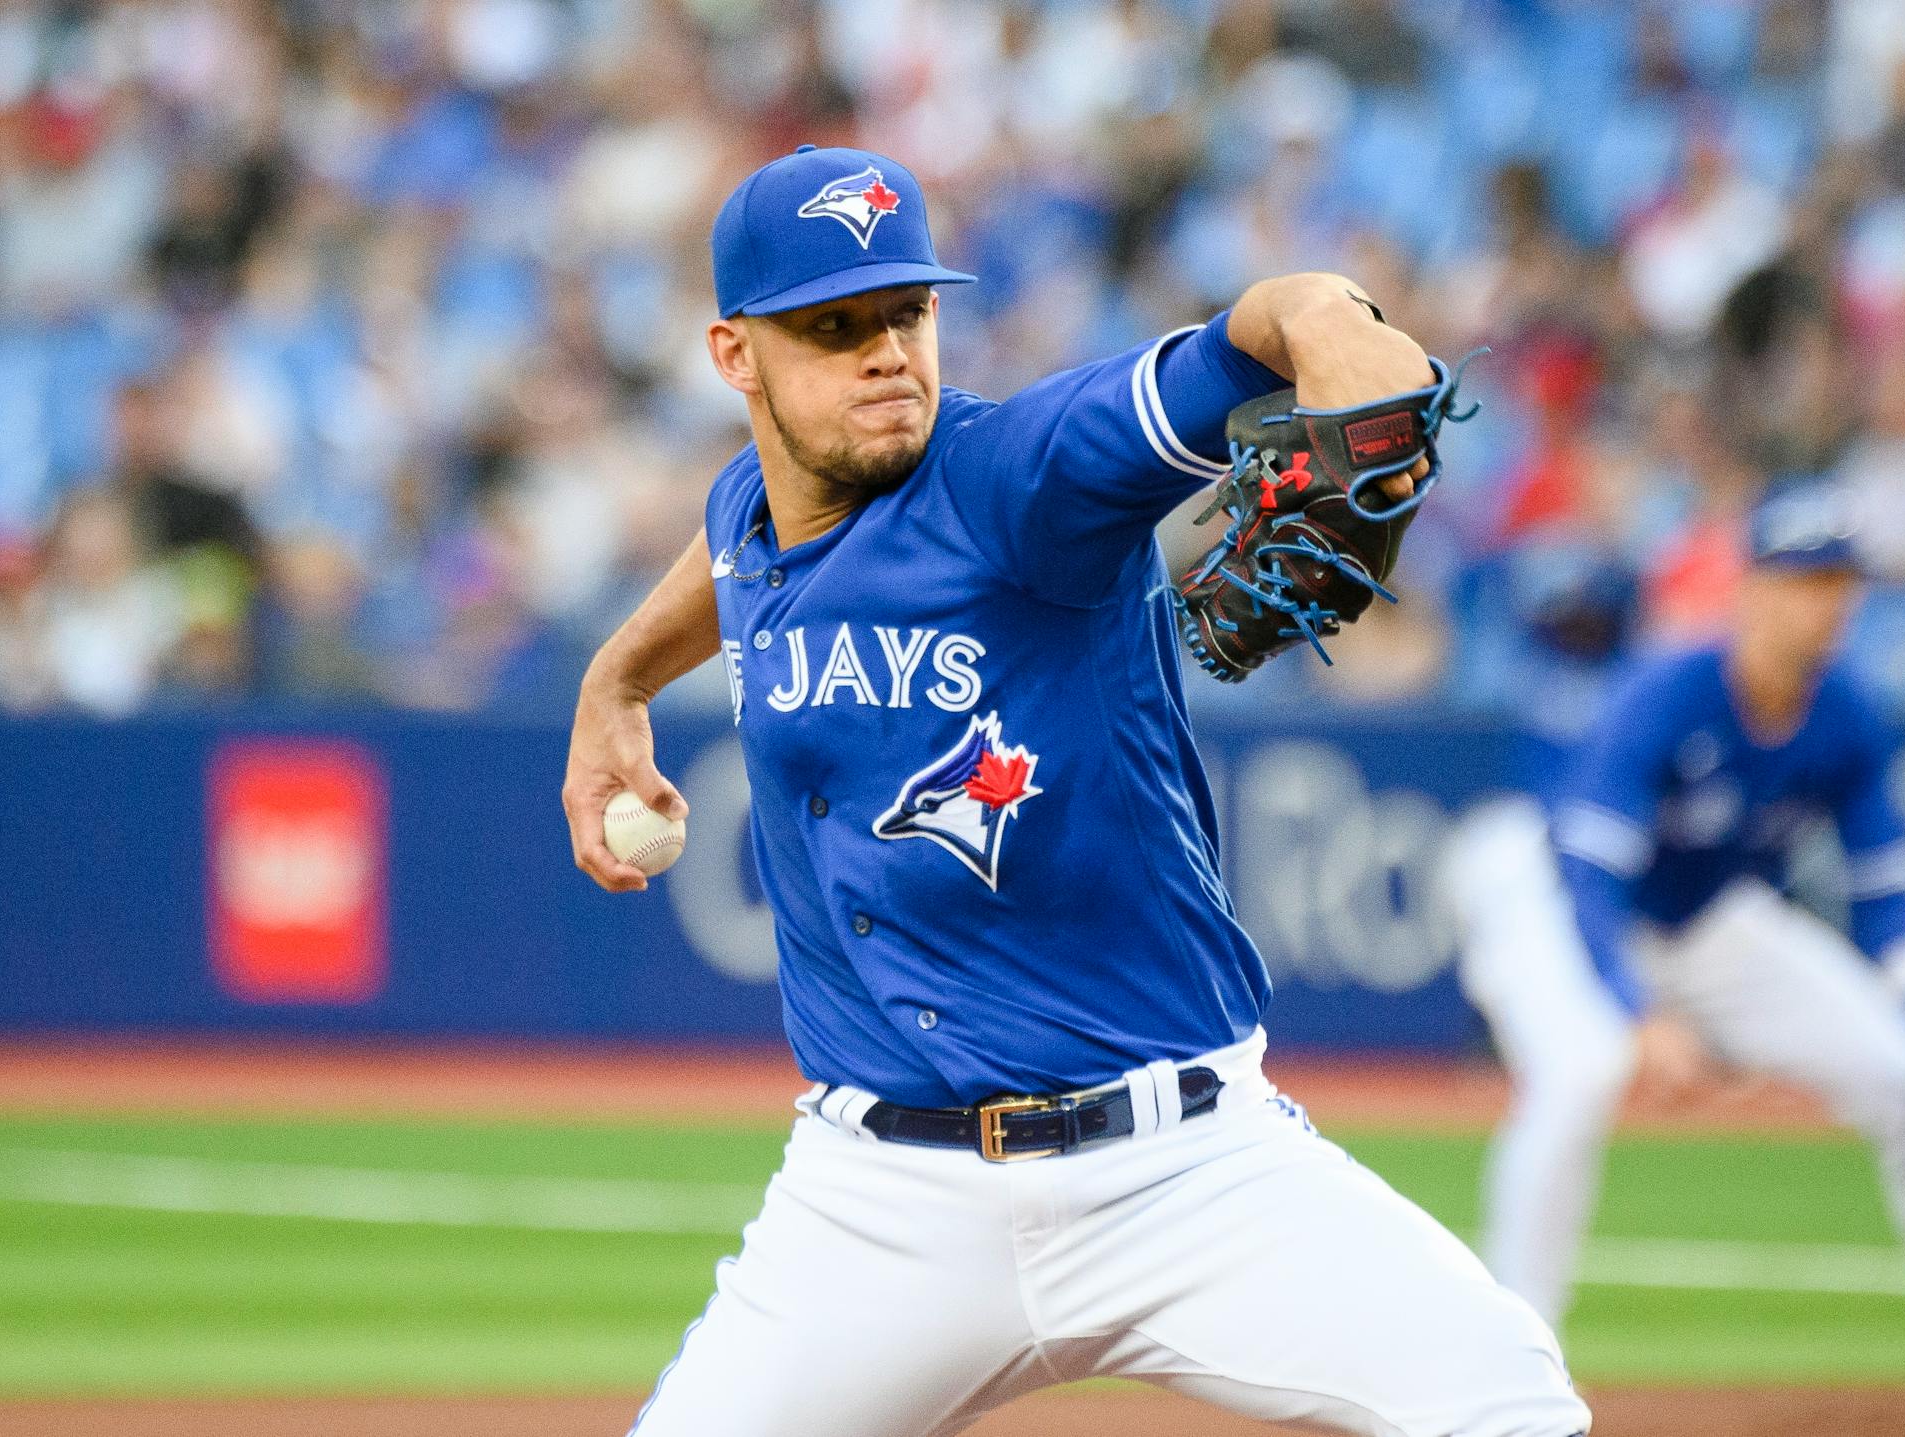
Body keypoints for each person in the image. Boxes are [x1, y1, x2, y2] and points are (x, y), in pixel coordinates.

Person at [564, 145, 1588, 1437]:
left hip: (1183, 1169)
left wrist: (1324, 314)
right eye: (834, 328)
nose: (886, 351)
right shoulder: (748, 516)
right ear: (735, 358)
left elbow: (1244, 342)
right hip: (879, 1205)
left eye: (905, 312)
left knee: (1507, 1404)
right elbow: (737, 555)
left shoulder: (1020, 479)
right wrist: (616, 680)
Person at [1446, 484, 1905, 1384]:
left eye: (1842, 583)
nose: (1830, 603)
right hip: (1557, 904)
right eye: (1808, 581)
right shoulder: (1669, 691)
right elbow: (1591, 879)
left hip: (1702, 919)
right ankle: (1511, 1364)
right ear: (1755, 591)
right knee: (1583, 1073)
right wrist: (1637, 1011)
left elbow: (1886, 894)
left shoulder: (1846, 714)